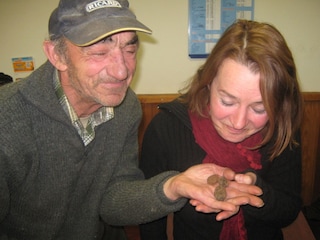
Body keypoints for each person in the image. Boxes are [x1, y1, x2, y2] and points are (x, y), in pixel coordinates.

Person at [0, 1, 264, 239]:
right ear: (56, 55)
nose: (122, 70)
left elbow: (112, 200)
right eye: (99, 52)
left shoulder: (125, 107)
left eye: (129, 48)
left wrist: (172, 186)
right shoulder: (7, 119)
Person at [139, 19, 303, 240]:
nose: (238, 123)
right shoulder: (166, 128)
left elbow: (289, 211)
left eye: (259, 107)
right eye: (227, 101)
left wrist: (257, 193)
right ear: (208, 83)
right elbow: (150, 219)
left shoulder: (282, 129)